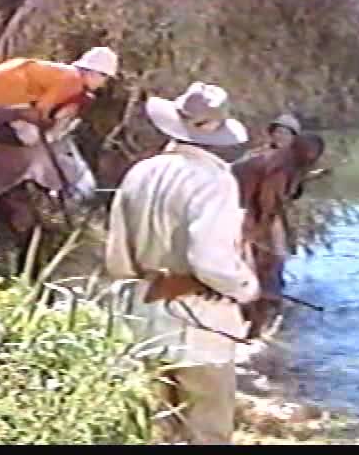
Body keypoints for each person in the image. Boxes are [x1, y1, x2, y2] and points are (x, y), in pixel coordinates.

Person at [105, 82, 261, 445]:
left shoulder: (140, 172)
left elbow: (117, 256)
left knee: (152, 428)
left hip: (142, 316)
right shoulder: (215, 180)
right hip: (201, 322)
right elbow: (211, 261)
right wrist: (247, 289)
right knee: (207, 428)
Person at [231, 116, 325, 336]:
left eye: (286, 133)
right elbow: (266, 202)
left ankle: (263, 304)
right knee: (267, 260)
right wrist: (258, 236)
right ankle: (259, 317)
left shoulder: (284, 162)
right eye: (278, 132)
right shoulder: (274, 163)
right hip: (243, 211)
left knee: (269, 260)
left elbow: (283, 194)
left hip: (249, 211)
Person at [0, 46, 118, 145]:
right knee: (29, 135)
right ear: (93, 72)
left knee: (27, 123)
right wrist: (47, 124)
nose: (103, 83)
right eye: (104, 77)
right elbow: (42, 108)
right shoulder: (74, 81)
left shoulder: (71, 76)